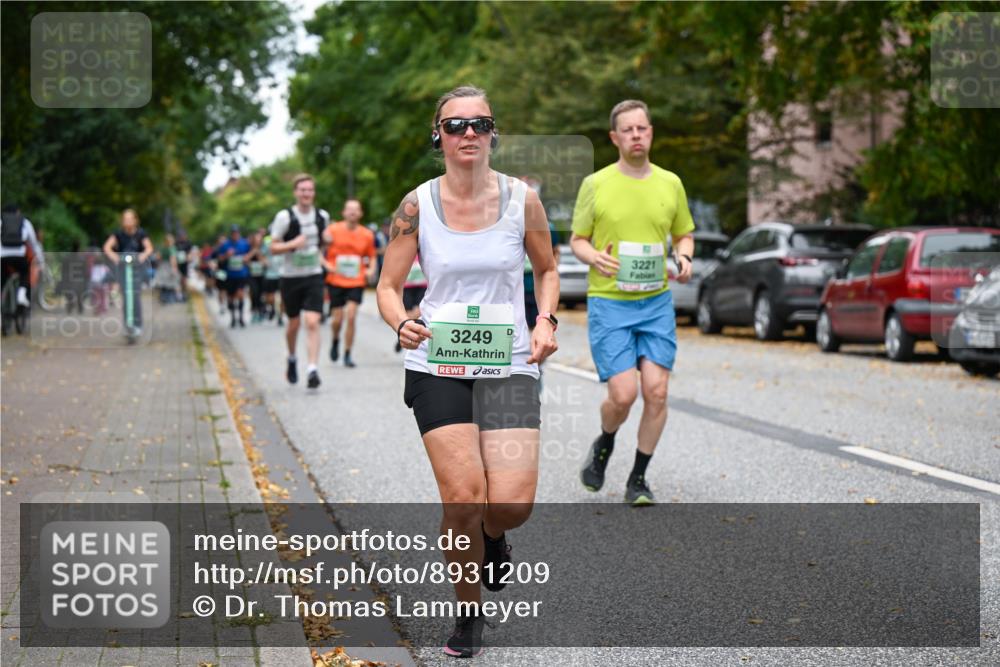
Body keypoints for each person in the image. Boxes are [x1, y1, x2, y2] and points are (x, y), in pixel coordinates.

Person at [376, 85, 559, 658]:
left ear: (493, 132)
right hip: (437, 360)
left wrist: (545, 320)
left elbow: (547, 270)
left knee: (510, 505)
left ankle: (493, 535)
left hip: (509, 362)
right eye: (456, 125)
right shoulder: (416, 206)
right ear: (439, 136)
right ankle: (468, 613)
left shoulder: (523, 200)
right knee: (463, 497)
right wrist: (401, 321)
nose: (469, 133)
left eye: (480, 123)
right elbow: (387, 286)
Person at [570, 99, 695, 506]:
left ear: (651, 133)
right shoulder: (596, 184)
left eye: (642, 128)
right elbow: (578, 240)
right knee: (623, 395)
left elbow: (683, 234)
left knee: (656, 391)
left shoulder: (671, 183)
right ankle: (605, 442)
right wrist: (594, 256)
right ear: (615, 138)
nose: (636, 135)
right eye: (628, 130)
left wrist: (685, 257)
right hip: (610, 301)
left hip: (655, 302)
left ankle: (638, 479)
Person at [269, 173, 331, 389]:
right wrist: (292, 244)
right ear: (296, 192)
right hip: (290, 277)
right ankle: (292, 357)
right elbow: (273, 247)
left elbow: (322, 246)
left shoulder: (322, 216)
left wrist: (327, 243)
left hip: (314, 275)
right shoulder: (284, 217)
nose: (306, 193)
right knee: (293, 324)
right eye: (303, 190)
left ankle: (312, 368)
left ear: (314, 193)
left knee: (312, 322)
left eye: (310, 190)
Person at [322, 199, 376, 367]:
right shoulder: (333, 230)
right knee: (337, 320)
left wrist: (371, 270)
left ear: (360, 213)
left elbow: (372, 256)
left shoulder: (367, 234)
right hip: (336, 279)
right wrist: (326, 265)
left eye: (356, 209)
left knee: (351, 317)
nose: (352, 212)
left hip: (356, 280)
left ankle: (347, 353)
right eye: (349, 209)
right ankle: (335, 339)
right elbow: (319, 250)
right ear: (343, 212)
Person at [102, 208, 154, 339]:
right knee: (126, 296)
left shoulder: (141, 234)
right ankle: (128, 325)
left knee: (135, 295)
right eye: (125, 219)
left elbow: (149, 248)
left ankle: (138, 325)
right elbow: (107, 247)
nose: (128, 221)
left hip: (137, 268)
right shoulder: (118, 234)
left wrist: (142, 257)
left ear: (135, 220)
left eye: (130, 219)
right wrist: (115, 258)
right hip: (123, 268)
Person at [1, 204, 46, 310]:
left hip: (2, 256)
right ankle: (21, 294)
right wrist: (40, 260)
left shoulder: (1, 221)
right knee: (25, 271)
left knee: (3, 277)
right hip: (19, 256)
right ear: (18, 212)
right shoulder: (25, 222)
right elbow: (33, 244)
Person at [218, 225, 251, 328]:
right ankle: (233, 318)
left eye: (236, 233)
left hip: (241, 274)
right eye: (233, 233)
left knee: (240, 294)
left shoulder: (244, 243)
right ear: (231, 234)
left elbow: (249, 256)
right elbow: (220, 259)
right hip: (230, 275)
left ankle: (241, 318)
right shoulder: (225, 245)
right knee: (231, 297)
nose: (235, 235)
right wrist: (227, 255)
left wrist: (246, 258)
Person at [396, 253, 428, 353]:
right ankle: (406, 335)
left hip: (422, 285)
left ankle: (406, 334)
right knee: (408, 315)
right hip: (407, 286)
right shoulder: (405, 250)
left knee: (418, 311)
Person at [245, 230, 267, 323]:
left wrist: (259, 254)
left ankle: (260, 310)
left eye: (259, 240)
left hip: (261, 275)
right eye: (256, 239)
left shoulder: (264, 249)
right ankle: (254, 311)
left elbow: (266, 263)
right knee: (254, 292)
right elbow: (245, 260)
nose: (258, 241)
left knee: (260, 294)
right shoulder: (248, 248)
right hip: (251, 275)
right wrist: (253, 252)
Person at [261, 233, 283, 324]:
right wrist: (264, 261)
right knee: (270, 298)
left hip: (282, 275)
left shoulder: (284, 239)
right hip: (270, 274)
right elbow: (262, 254)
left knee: (282, 298)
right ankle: (273, 308)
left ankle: (280, 316)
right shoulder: (267, 241)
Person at [175, 230, 194, 300]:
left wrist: (189, 257)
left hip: (185, 263)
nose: (182, 237)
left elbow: (190, 253)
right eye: (181, 236)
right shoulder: (176, 243)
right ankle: (178, 294)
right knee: (178, 279)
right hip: (177, 263)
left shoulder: (188, 243)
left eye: (183, 236)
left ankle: (184, 293)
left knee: (184, 279)